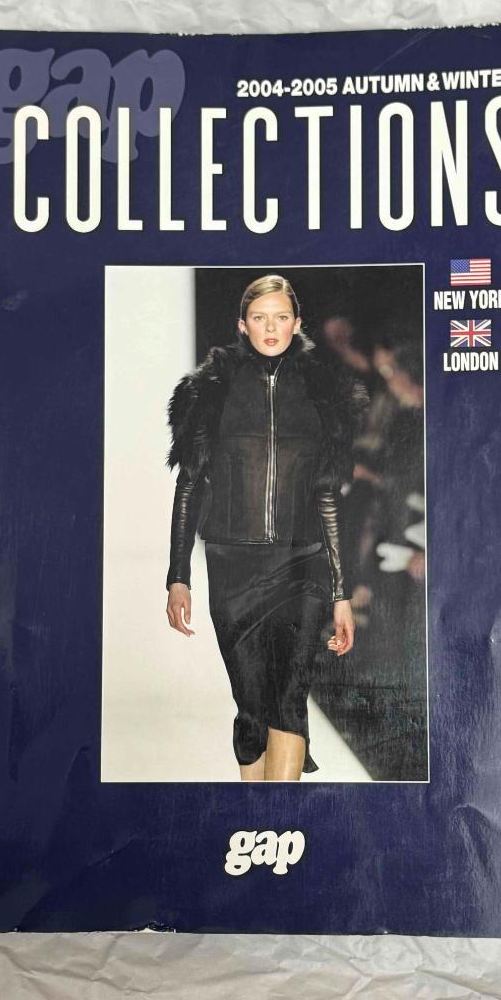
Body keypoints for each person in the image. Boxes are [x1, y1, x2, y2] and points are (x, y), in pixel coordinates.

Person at [164, 274, 368, 781]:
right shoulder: (209, 392)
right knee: (253, 708)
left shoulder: (325, 394)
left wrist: (340, 592)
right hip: (233, 568)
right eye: (260, 318)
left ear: (297, 323)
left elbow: (327, 495)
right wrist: (178, 576)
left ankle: (282, 817)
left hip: (303, 564)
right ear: (242, 325)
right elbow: (190, 486)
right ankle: (256, 815)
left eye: (281, 317)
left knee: (290, 698)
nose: (271, 327)